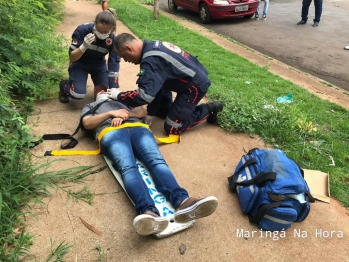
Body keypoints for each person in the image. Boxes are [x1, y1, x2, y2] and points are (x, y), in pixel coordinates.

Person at [81, 90, 219, 236]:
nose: (104, 91)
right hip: (111, 131)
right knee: (128, 168)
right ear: (97, 95)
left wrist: (126, 113)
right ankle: (149, 212)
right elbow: (87, 123)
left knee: (157, 162)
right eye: (101, 91)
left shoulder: (122, 100)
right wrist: (111, 114)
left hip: (138, 128)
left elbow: (142, 111)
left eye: (106, 90)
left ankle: (183, 201)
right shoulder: (91, 106)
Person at [108, 33, 223, 135]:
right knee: (163, 111)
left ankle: (210, 108)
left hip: (195, 87)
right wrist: (150, 112)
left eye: (124, 57)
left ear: (129, 48)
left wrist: (119, 95)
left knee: (172, 127)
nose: (126, 60)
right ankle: (181, 110)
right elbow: (156, 87)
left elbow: (144, 96)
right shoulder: (151, 47)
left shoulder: (151, 61)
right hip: (187, 79)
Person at [59, 9, 120, 103]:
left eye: (105, 32)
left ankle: (100, 88)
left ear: (112, 29)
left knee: (104, 96)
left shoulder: (113, 40)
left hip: (98, 65)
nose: (102, 34)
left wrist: (113, 88)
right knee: (77, 94)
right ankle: (64, 86)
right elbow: (72, 58)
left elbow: (114, 64)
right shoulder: (82, 30)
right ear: (94, 24)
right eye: (99, 30)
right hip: (80, 62)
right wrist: (83, 47)